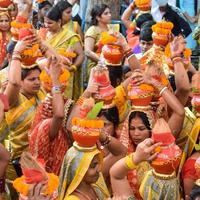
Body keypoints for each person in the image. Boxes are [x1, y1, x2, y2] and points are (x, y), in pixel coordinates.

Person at [29, 56, 73, 175]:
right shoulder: (45, 124)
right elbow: (59, 115)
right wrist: (54, 78)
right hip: (46, 183)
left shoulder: (63, 103)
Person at [40, 5, 84, 100]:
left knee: (62, 106)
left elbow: (81, 55)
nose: (46, 25)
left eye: (50, 23)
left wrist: (73, 67)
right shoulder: (42, 34)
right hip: (43, 76)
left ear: (59, 22)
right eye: (45, 22)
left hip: (63, 77)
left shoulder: (70, 36)